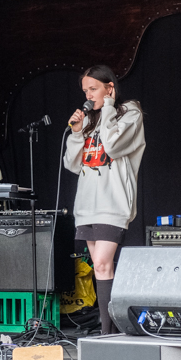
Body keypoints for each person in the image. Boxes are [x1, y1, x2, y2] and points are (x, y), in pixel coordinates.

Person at [64, 65, 146, 334]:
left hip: (113, 203)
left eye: (93, 89)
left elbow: (112, 145)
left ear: (109, 87)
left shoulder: (130, 113)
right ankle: (108, 333)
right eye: (85, 90)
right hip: (87, 204)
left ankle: (110, 331)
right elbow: (72, 164)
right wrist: (77, 132)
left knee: (101, 263)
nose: (88, 96)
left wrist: (109, 107)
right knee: (101, 268)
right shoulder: (90, 120)